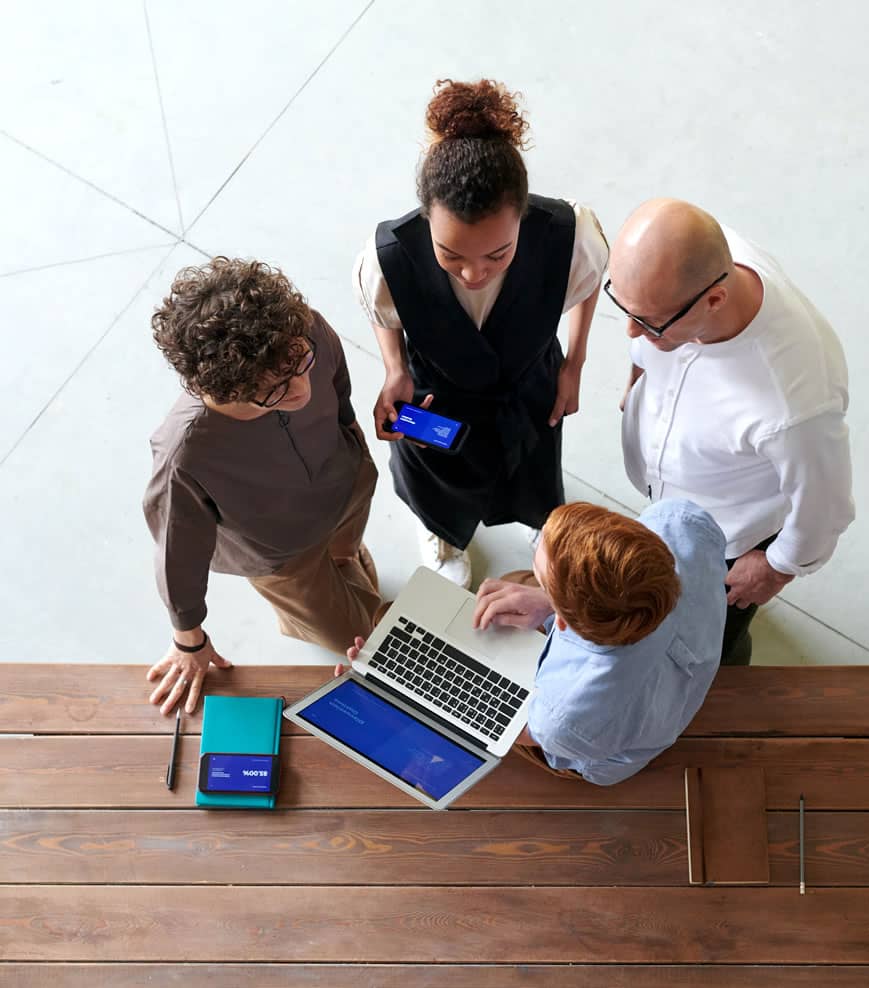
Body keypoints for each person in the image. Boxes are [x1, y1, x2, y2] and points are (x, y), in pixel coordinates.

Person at [353, 78, 608, 587]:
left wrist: (574, 364)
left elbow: (585, 287)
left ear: (522, 215)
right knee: (435, 475)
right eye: (451, 256)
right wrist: (395, 369)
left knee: (535, 464)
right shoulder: (386, 259)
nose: (474, 274)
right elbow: (386, 315)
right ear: (427, 219)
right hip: (437, 393)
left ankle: (542, 524)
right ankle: (441, 531)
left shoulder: (568, 234)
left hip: (527, 380)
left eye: (498, 254)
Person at [607, 199, 854, 665]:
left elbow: (826, 506)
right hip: (674, 497)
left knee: (706, 646)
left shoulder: (795, 404)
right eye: (624, 307)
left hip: (726, 539)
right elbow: (645, 331)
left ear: (713, 300)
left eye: (648, 323)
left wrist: (777, 569)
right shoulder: (692, 267)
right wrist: (637, 378)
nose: (630, 333)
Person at [339, 500, 725, 786]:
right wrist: (546, 598)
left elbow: (522, 728)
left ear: (563, 621)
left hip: (604, 751)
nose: (535, 575)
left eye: (543, 579)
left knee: (388, 618)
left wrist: (400, 688)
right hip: (677, 680)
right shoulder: (680, 522)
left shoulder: (563, 719)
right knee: (503, 590)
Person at [143, 258, 381, 716]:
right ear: (223, 391)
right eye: (272, 391)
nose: (300, 390)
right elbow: (177, 553)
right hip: (283, 555)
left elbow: (334, 378)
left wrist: (349, 427)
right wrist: (189, 640)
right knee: (352, 635)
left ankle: (345, 559)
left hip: (345, 479)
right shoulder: (184, 455)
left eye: (299, 363)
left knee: (345, 551)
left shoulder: (300, 331)